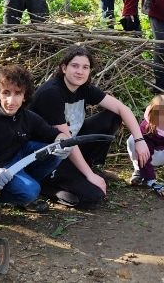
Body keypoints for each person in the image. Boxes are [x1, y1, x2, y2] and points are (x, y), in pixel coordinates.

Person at [30, 46, 150, 207]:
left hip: (70, 146)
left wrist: (139, 140)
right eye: (75, 66)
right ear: (64, 68)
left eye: (85, 67)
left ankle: (89, 166)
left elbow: (123, 109)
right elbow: (66, 140)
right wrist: (89, 176)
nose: (80, 71)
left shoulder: (83, 88)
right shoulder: (51, 93)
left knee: (113, 115)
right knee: (93, 196)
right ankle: (46, 185)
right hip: (48, 155)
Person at [0, 65, 72, 225]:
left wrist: (63, 142)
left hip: (19, 159)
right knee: (31, 191)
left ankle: (21, 191)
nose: (11, 100)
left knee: (53, 151)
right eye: (6, 93)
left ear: (25, 96)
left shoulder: (28, 117)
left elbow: (53, 134)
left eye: (18, 93)